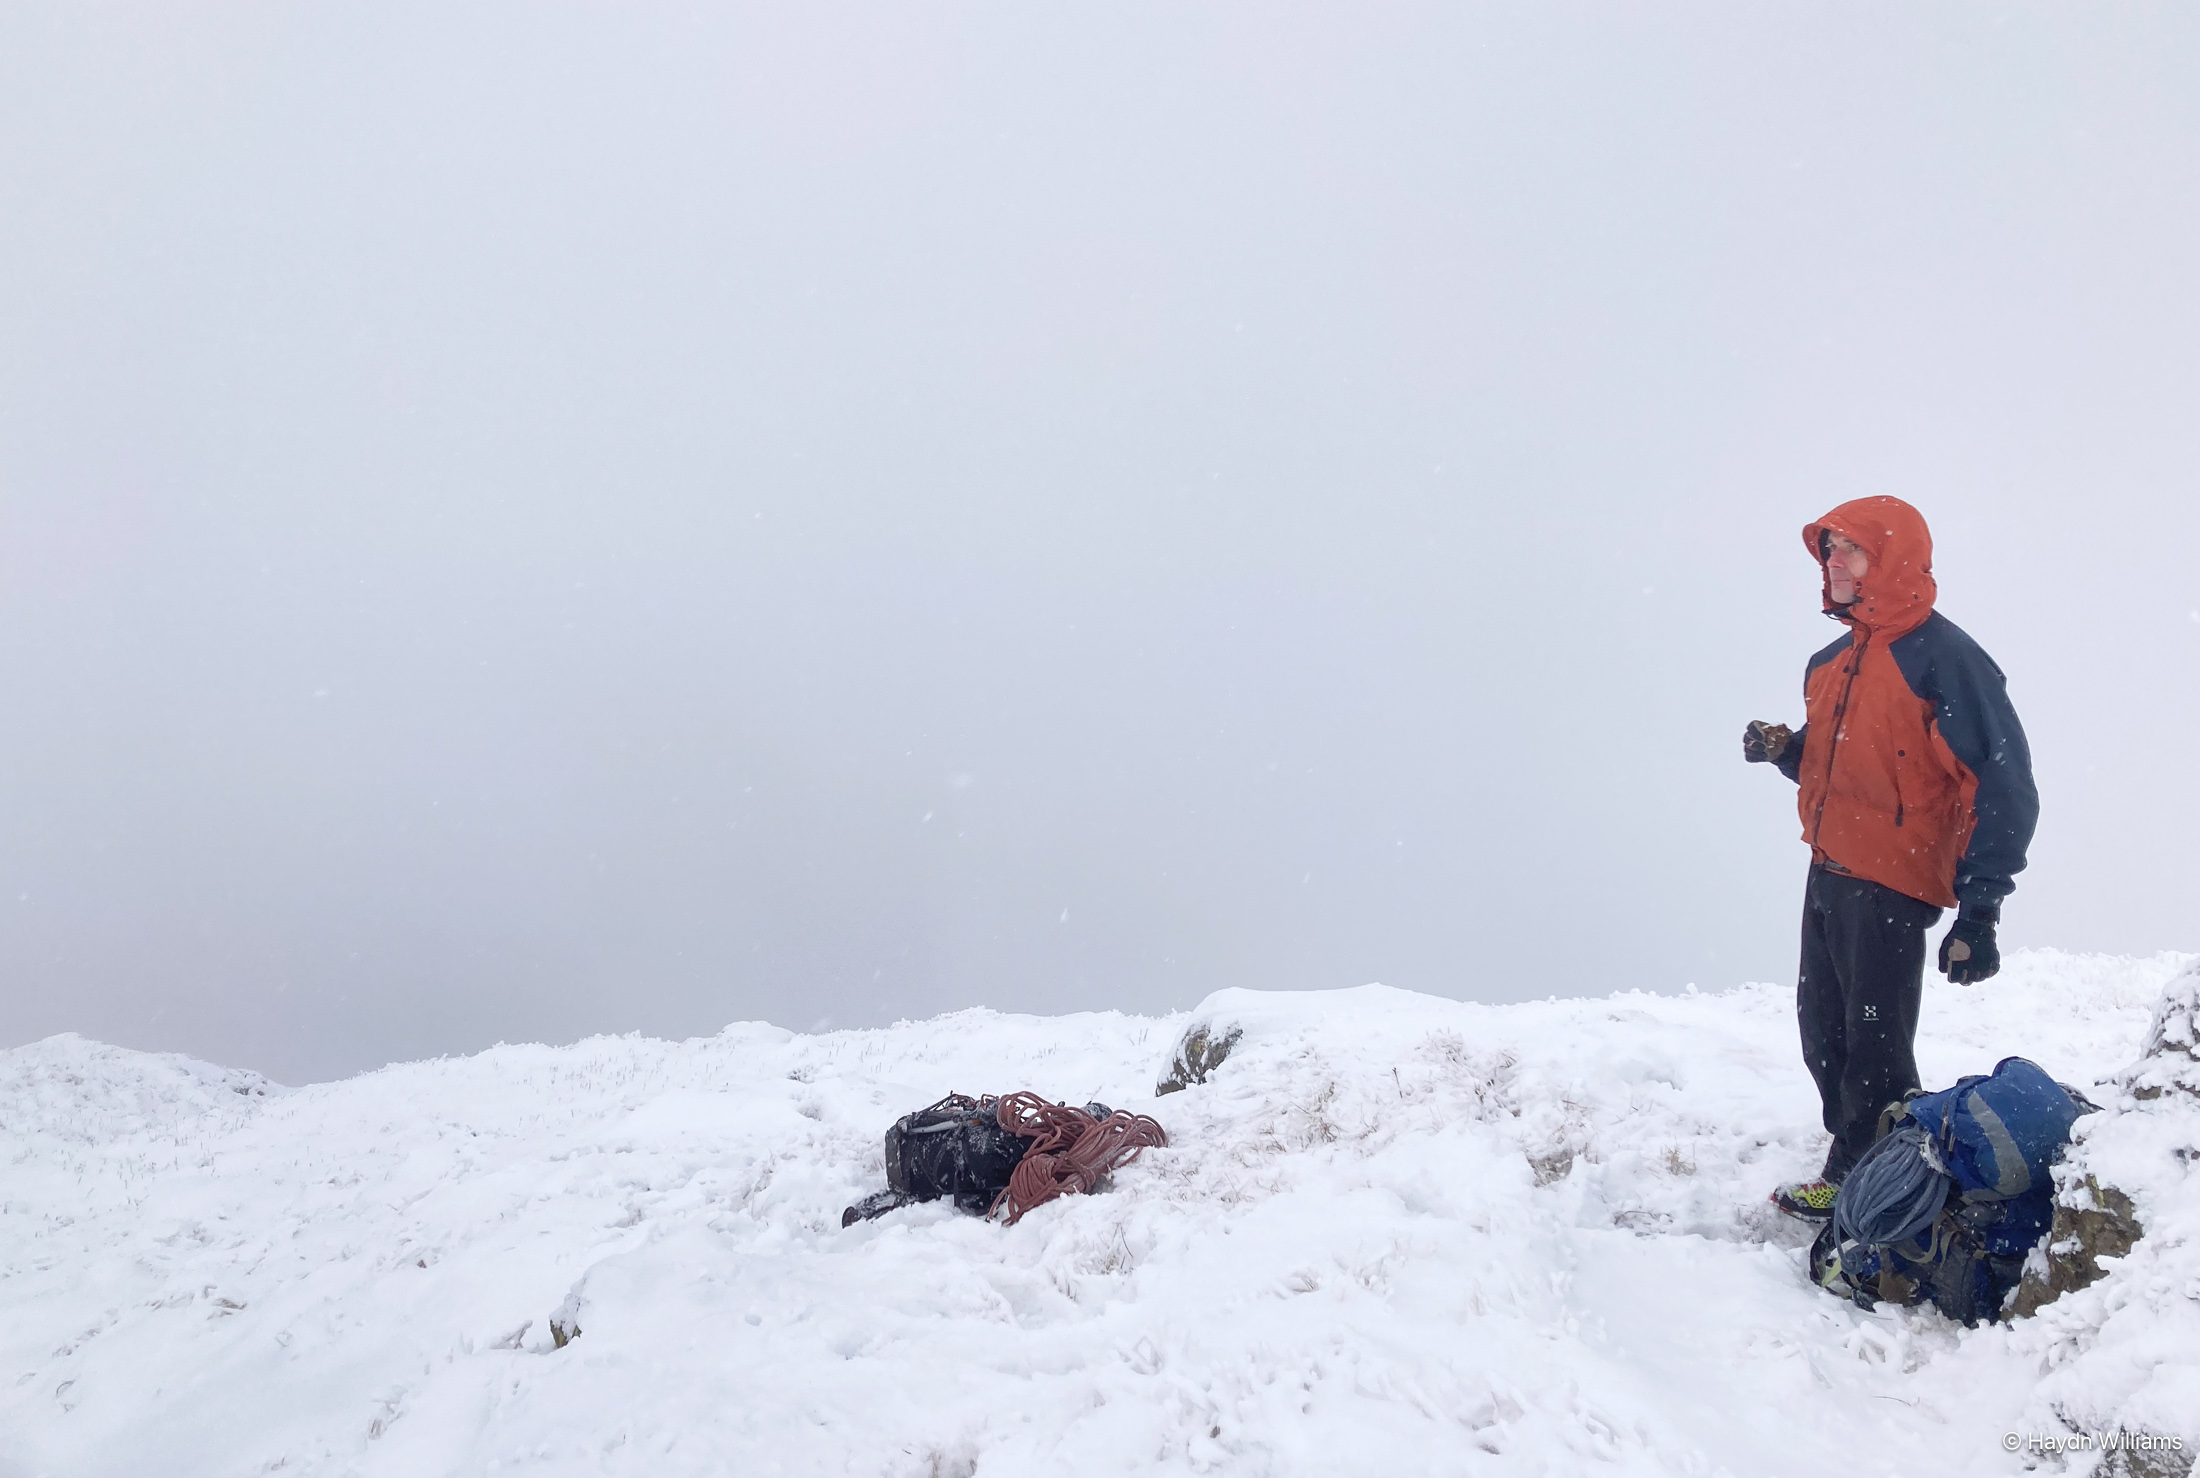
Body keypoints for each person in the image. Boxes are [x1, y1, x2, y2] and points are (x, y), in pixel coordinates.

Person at [1744, 497, 2037, 1221]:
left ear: (1892, 559)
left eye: (1850, 550)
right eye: (1827, 550)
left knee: (1873, 1042)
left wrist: (1982, 909)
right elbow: (1851, 764)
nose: (1832, 563)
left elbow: (2001, 784)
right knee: (1825, 1034)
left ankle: (1874, 1183)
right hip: (1829, 867)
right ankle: (1863, 1158)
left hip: (1891, 879)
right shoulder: (1833, 661)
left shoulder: (1946, 660)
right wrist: (1789, 751)